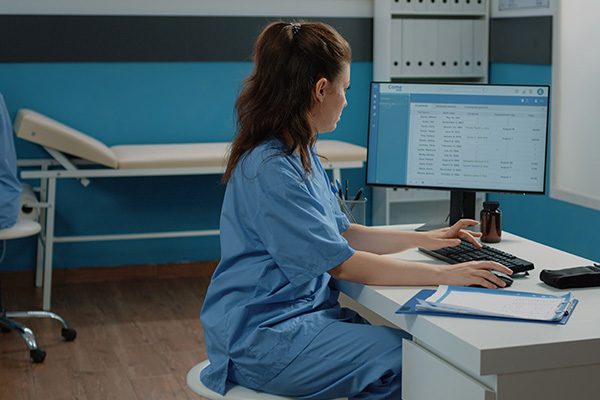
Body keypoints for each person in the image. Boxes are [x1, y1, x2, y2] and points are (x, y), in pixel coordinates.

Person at [199, 21, 512, 399]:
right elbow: (343, 263)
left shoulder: (299, 151)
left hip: (298, 319)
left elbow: (343, 233)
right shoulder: (272, 169)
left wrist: (430, 239)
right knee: (413, 359)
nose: (346, 101)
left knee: (410, 353)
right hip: (262, 338)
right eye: (344, 89)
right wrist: (449, 277)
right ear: (320, 89)